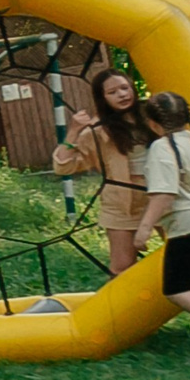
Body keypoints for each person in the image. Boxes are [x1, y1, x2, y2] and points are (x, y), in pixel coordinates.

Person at [133, 92, 190, 365]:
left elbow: (164, 194)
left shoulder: (163, 147)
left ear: (152, 123)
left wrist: (144, 228)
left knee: (177, 290)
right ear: (187, 117)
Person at [54, 68, 157, 272]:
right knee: (122, 266)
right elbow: (62, 166)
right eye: (112, 92)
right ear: (102, 98)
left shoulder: (154, 118)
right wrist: (74, 131)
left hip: (163, 196)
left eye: (125, 88)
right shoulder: (97, 132)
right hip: (122, 203)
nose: (122, 94)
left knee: (188, 253)